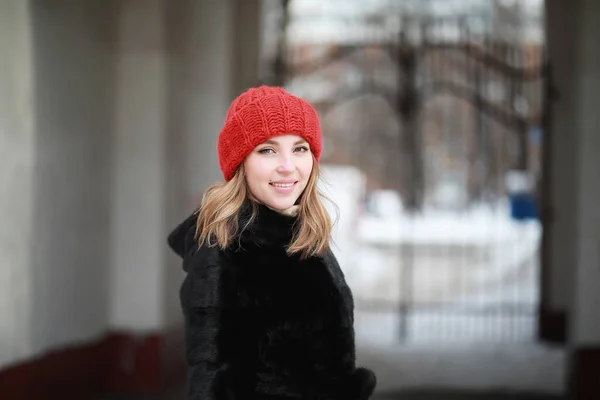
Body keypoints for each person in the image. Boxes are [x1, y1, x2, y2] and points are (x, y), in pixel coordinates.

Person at [167, 85, 376, 400]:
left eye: (300, 148)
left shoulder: (301, 232)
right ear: (241, 163)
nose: (288, 166)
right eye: (267, 149)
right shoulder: (224, 250)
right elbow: (211, 380)